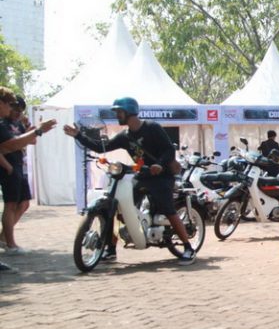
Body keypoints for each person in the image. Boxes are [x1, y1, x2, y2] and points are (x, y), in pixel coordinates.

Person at [63, 97, 196, 263]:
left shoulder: (152, 127)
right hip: (143, 175)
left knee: (167, 209)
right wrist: (78, 136)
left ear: (129, 111)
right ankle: (110, 249)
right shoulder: (125, 136)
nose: (117, 115)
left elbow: (169, 150)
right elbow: (101, 147)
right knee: (117, 206)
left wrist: (160, 165)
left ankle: (188, 248)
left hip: (161, 176)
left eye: (119, 112)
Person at [0, 88, 57, 259]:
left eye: (19, 109)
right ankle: (10, 243)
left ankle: (4, 237)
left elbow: (27, 142)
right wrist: (37, 130)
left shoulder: (16, 123)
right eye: (11, 106)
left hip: (19, 165)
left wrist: (32, 130)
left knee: (24, 203)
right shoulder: (2, 123)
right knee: (11, 204)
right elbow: (9, 146)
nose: (15, 111)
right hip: (9, 167)